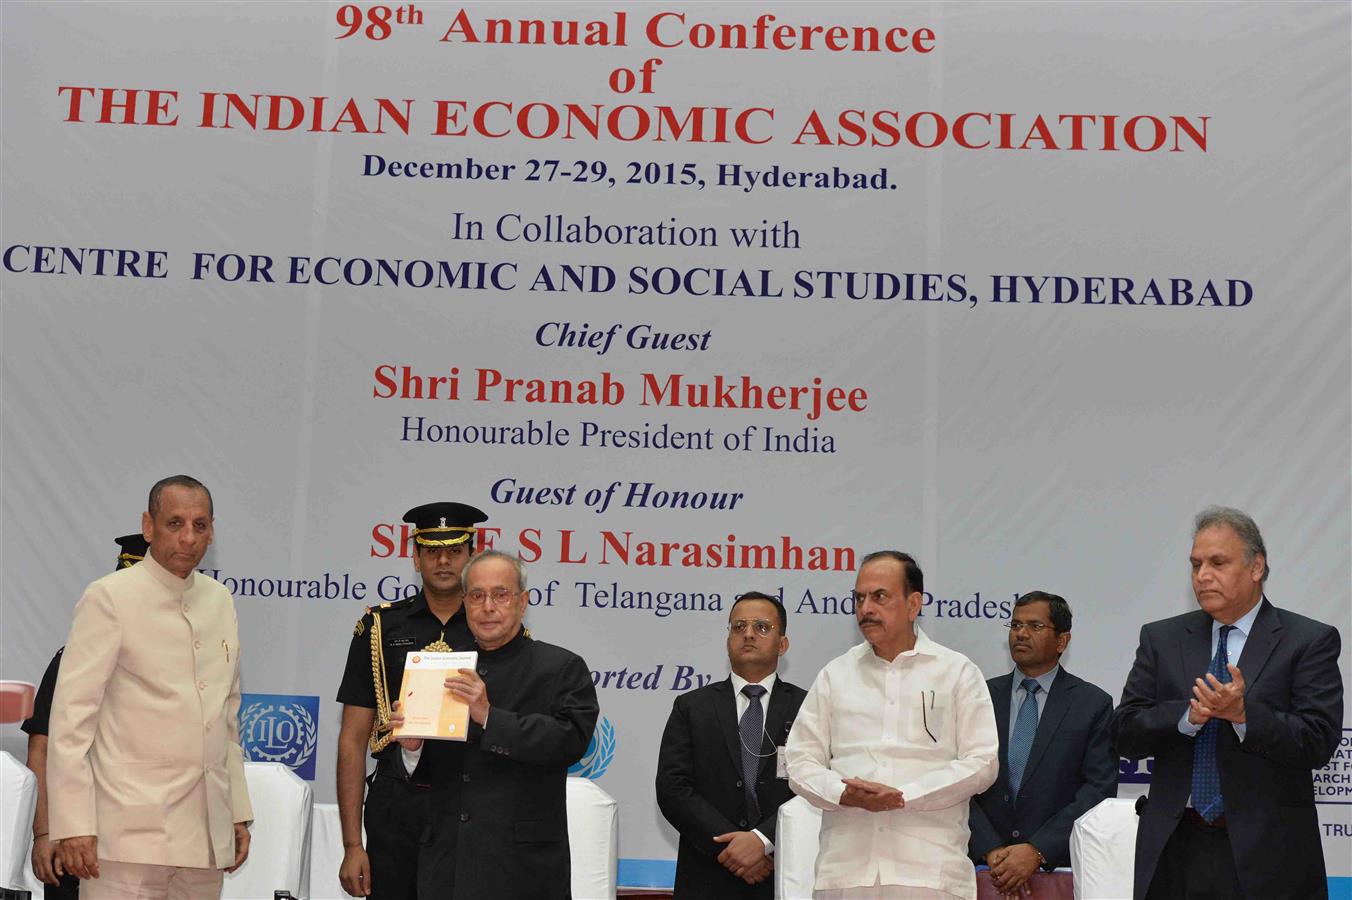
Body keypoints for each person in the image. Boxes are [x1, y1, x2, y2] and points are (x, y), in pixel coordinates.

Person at [1110, 506, 1343, 900]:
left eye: (1218, 562)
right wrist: (1185, 717)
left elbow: (1318, 740)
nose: (1203, 575)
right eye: (1196, 564)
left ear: (1256, 567)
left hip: (1267, 856)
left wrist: (1243, 716)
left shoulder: (1307, 641)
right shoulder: (1162, 639)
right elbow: (1124, 733)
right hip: (1173, 847)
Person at [47, 477, 253, 899]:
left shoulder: (220, 600)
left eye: (199, 525)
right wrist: (73, 825)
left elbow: (226, 718)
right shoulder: (109, 597)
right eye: (174, 523)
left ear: (212, 531)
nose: (188, 537)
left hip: (205, 835)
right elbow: (70, 722)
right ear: (148, 525)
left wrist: (235, 813)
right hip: (126, 837)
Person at [786, 550, 999, 899]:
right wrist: (843, 792)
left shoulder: (957, 672)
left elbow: (983, 763)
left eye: (879, 596)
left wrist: (904, 797)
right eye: (859, 598)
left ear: (913, 604)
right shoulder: (835, 675)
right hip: (846, 874)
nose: (866, 608)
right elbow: (798, 761)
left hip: (929, 873)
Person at [391, 549, 598, 898]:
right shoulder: (440, 666)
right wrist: (413, 749)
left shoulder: (560, 667)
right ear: (464, 603)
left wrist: (489, 716)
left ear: (523, 602)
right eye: (476, 595)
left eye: (500, 595)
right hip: (446, 869)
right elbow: (432, 774)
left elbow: (570, 740)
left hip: (522, 872)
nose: (488, 606)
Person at [335, 501, 487, 899]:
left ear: (473, 554)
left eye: (454, 550)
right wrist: (353, 846)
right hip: (396, 807)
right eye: (432, 551)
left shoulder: (492, 628)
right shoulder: (379, 627)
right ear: (414, 556)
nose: (443, 561)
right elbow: (352, 739)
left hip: (471, 806)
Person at [656, 591, 808, 899]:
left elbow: (816, 788)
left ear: (783, 644)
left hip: (784, 872)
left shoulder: (810, 707)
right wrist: (733, 849)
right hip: (707, 874)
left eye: (762, 627)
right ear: (727, 641)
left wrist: (763, 840)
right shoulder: (691, 707)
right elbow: (673, 789)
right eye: (738, 627)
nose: (749, 634)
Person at [23, 533, 148, 900]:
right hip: (76, 839)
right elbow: (41, 750)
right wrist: (44, 833)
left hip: (149, 843)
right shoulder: (73, 658)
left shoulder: (182, 665)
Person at [968, 591, 1118, 897]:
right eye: (1015, 625)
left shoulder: (1092, 704)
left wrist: (1037, 850)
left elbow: (1098, 789)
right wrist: (990, 848)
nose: (1021, 634)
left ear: (1062, 641)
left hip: (1057, 870)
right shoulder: (978, 696)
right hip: (983, 870)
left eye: (1035, 626)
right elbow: (958, 778)